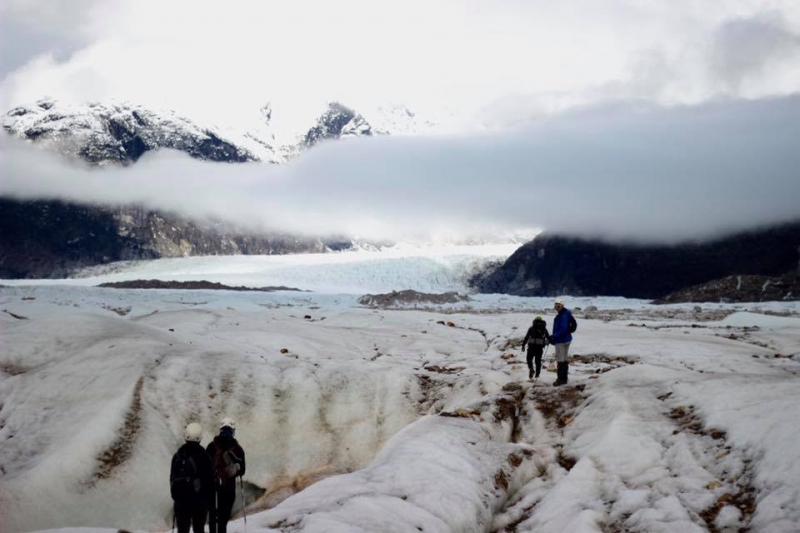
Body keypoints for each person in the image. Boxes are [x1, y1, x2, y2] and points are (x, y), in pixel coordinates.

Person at [170, 423, 214, 533]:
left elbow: (172, 478)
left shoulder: (178, 455)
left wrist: (176, 496)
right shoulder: (203, 455)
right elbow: (209, 480)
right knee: (198, 529)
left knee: (182, 530)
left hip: (180, 502)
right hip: (198, 501)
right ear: (199, 437)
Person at [207, 417, 246, 533]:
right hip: (228, 488)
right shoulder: (238, 449)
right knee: (223, 519)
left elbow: (204, 466)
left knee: (213, 518)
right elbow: (242, 470)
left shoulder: (212, 446)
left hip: (212, 487)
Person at [551, 299, 575, 386]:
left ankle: (561, 379)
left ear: (562, 306)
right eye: (555, 306)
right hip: (566, 339)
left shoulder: (563, 315)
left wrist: (554, 336)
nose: (556, 308)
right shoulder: (565, 313)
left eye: (558, 306)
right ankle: (564, 378)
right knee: (564, 359)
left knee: (560, 360)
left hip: (561, 340)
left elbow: (563, 329)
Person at [521, 316, 552, 380]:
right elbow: (548, 337)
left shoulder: (531, 328)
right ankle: (537, 374)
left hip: (531, 347)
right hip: (539, 348)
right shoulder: (544, 328)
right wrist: (551, 341)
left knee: (529, 359)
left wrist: (523, 345)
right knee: (538, 362)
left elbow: (526, 337)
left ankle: (531, 369)